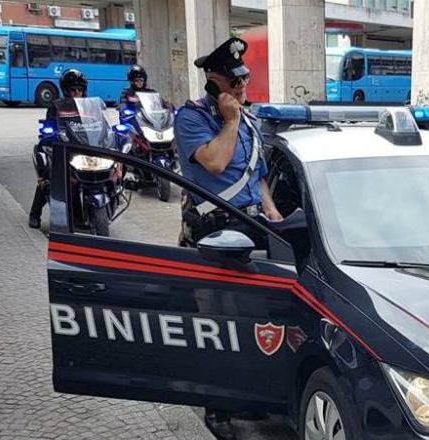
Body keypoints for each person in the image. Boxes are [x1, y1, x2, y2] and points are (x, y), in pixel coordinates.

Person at [174, 36, 283, 439]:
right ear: (213, 80)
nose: (241, 88)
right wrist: (231, 120)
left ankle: (251, 393)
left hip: (252, 228)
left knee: (255, 319)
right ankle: (217, 405)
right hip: (213, 232)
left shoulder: (250, 119)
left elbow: (257, 175)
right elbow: (218, 163)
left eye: (245, 79)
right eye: (233, 82)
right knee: (217, 323)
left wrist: (272, 211)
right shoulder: (191, 118)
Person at [28, 69, 88, 229]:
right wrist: (51, 132)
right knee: (49, 177)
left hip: (81, 148)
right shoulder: (56, 107)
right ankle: (35, 214)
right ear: (66, 90)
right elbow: (49, 127)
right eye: (73, 90)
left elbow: (97, 124)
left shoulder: (87, 107)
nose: (77, 93)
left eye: (79, 90)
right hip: (62, 147)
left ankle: (80, 217)